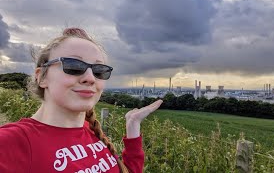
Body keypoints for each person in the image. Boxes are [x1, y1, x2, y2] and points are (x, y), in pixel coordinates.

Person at [0, 28, 163, 173]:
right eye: (73, 66)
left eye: (99, 71)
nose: (90, 78)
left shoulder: (91, 131)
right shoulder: (13, 142)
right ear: (41, 77)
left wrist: (133, 125)